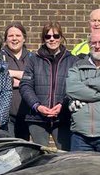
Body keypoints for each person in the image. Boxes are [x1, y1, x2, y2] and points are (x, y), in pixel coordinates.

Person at [20, 22, 75, 150]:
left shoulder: (72, 60)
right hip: (37, 118)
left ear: (61, 37)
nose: (52, 39)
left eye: (55, 36)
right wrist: (37, 106)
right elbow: (25, 85)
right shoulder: (33, 59)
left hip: (62, 118)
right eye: (47, 36)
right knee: (40, 157)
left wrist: (63, 104)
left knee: (65, 156)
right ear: (43, 38)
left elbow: (75, 88)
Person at [1, 23, 31, 139]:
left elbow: (35, 80)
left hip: (27, 115)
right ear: (6, 39)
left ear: (24, 38)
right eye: (10, 36)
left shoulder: (32, 58)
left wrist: (11, 73)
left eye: (18, 35)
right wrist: (25, 77)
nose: (14, 39)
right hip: (5, 116)